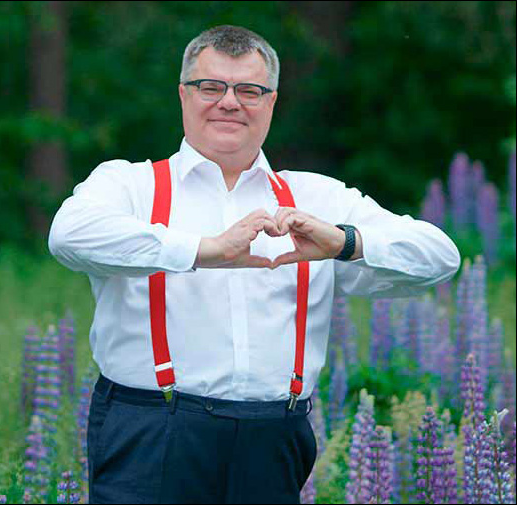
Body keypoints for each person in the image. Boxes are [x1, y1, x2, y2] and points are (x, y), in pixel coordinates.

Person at [47, 25, 460, 504]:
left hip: (273, 439)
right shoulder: (131, 184)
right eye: (211, 87)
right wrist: (206, 250)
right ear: (183, 94)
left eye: (249, 90)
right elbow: (69, 235)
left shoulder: (315, 196)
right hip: (151, 431)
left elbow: (440, 256)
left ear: (271, 102)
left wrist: (345, 242)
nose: (229, 102)